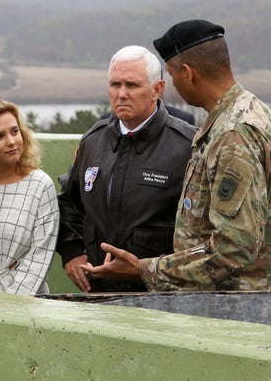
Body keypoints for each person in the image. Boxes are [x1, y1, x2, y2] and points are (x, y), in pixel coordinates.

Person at [81, 19, 271, 290]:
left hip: (242, 307)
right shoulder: (247, 111)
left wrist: (145, 269)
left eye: (173, 75)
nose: (173, 84)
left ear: (188, 73)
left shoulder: (233, 133)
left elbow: (232, 249)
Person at [57, 45, 196, 292]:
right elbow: (69, 202)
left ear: (157, 90)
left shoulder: (188, 146)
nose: (121, 94)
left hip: (161, 297)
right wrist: (71, 252)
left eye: (132, 85)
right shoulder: (94, 141)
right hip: (99, 292)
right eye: (115, 85)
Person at [0, 99, 59, 295]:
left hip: (25, 303)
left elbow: (40, 256)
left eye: (15, 131)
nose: (12, 141)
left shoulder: (40, 185)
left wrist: (10, 304)